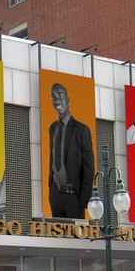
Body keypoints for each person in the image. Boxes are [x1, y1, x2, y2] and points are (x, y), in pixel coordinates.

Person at [47, 83, 94, 219]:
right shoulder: (53, 128)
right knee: (57, 238)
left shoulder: (81, 130)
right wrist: (51, 189)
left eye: (60, 96)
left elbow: (89, 168)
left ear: (68, 99)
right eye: (53, 97)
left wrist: (83, 201)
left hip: (73, 196)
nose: (56, 100)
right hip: (55, 195)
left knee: (77, 238)